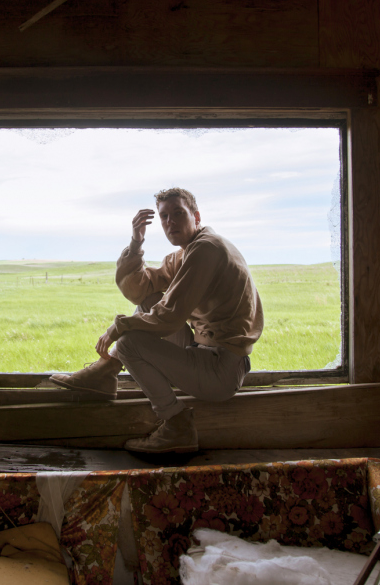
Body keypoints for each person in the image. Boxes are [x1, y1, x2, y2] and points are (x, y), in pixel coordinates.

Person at [50, 188, 264, 453]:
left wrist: (118, 328)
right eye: (164, 217)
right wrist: (136, 243)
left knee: (129, 343)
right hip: (202, 353)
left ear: (196, 216)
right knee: (149, 299)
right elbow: (140, 289)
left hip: (221, 370)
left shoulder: (206, 249)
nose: (170, 222)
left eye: (178, 213)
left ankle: (176, 424)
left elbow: (169, 317)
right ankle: (105, 373)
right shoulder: (184, 254)